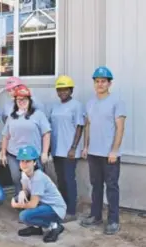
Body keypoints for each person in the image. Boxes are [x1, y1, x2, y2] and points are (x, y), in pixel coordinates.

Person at [80, 66, 126, 235]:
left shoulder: (117, 102)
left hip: (109, 155)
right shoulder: (90, 103)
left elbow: (120, 128)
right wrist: (86, 146)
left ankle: (113, 221)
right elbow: (88, 125)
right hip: (93, 152)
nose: (100, 84)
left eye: (103, 81)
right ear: (94, 83)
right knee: (96, 186)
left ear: (109, 83)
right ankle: (96, 215)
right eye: (97, 81)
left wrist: (114, 150)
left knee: (112, 187)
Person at [0, 85, 51, 195]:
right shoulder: (12, 117)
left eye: (24, 99)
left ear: (29, 100)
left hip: (33, 157)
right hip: (14, 155)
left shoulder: (38, 115)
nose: (21, 101)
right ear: (15, 101)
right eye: (19, 99)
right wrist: (3, 153)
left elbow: (46, 134)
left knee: (35, 181)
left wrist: (45, 153)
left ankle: (35, 204)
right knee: (17, 180)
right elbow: (5, 136)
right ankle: (21, 203)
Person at [11, 146, 66, 243]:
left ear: (34, 162)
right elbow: (26, 190)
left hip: (55, 208)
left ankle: (55, 226)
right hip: (43, 203)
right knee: (20, 198)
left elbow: (32, 204)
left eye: (28, 161)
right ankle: (37, 227)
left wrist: (16, 205)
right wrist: (22, 192)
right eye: (22, 161)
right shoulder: (24, 173)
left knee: (24, 216)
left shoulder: (38, 177)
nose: (24, 164)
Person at [49, 75, 85, 222]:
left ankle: (71, 211)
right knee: (61, 179)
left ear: (71, 90)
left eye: (65, 89)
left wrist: (73, 147)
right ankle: (62, 207)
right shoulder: (55, 106)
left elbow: (79, 126)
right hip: (57, 150)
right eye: (60, 89)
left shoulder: (76, 105)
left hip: (69, 150)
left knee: (69, 179)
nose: (62, 92)